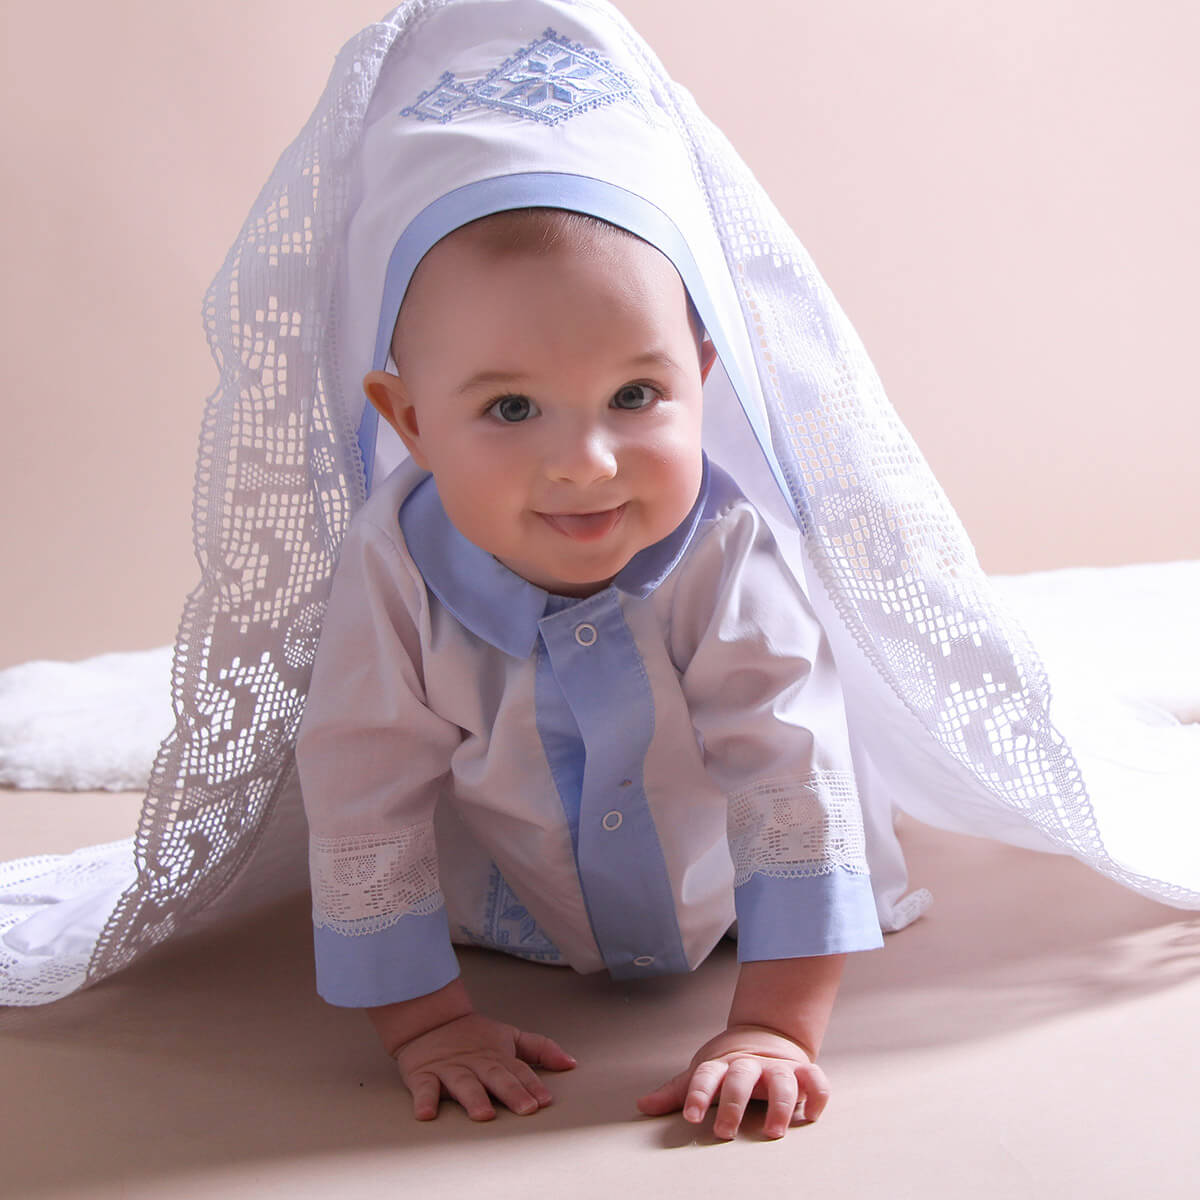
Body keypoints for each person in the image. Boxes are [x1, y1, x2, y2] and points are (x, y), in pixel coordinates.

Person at [296, 206, 881, 1138]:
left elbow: (790, 764)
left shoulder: (725, 546)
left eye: (636, 395)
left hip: (721, 894)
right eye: (511, 408)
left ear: (699, 376)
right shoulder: (393, 566)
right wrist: (430, 1026)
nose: (586, 464)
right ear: (411, 420)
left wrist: (775, 1026)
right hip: (506, 908)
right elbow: (362, 785)